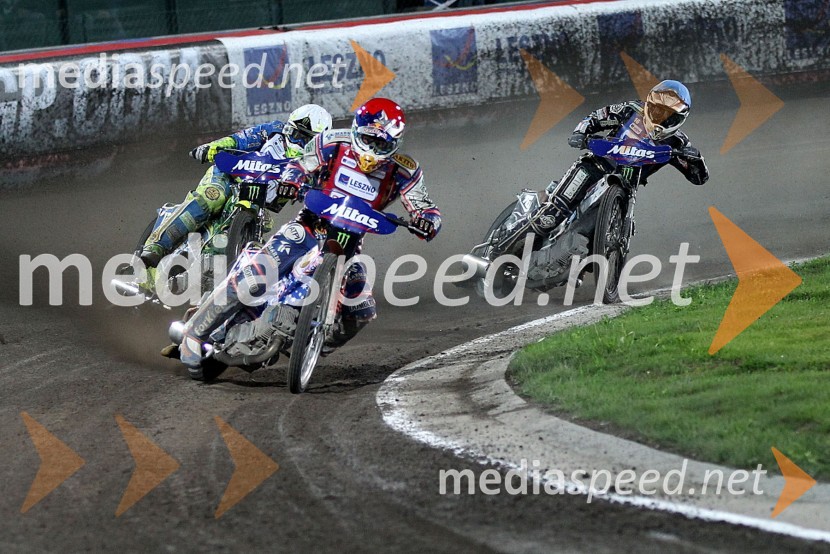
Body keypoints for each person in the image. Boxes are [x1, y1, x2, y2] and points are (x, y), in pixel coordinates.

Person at [176, 97, 442, 370]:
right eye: (369, 140)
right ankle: (194, 333)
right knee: (258, 273)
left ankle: (308, 345)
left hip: (349, 247)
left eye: (382, 145)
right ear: (356, 131)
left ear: (395, 143)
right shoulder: (331, 143)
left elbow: (426, 208)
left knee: (362, 311)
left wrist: (427, 222)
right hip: (307, 227)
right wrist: (292, 182)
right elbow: (299, 165)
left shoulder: (406, 170)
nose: (373, 152)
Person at [138, 104, 333, 270]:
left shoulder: (318, 164)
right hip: (229, 177)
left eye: (305, 139)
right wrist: (212, 147)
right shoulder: (272, 131)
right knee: (210, 198)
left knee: (266, 229)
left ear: (318, 142)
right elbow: (239, 139)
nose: (298, 141)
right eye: (295, 134)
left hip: (259, 202)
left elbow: (322, 191)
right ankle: (156, 245)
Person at [534, 80, 709, 230]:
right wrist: (581, 133)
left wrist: (697, 160)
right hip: (596, 166)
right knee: (550, 217)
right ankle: (516, 239)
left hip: (626, 189)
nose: (660, 119)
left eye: (668, 117)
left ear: (679, 120)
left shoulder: (678, 142)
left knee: (611, 231)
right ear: (649, 105)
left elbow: (699, 178)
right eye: (657, 111)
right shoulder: (631, 109)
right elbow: (596, 117)